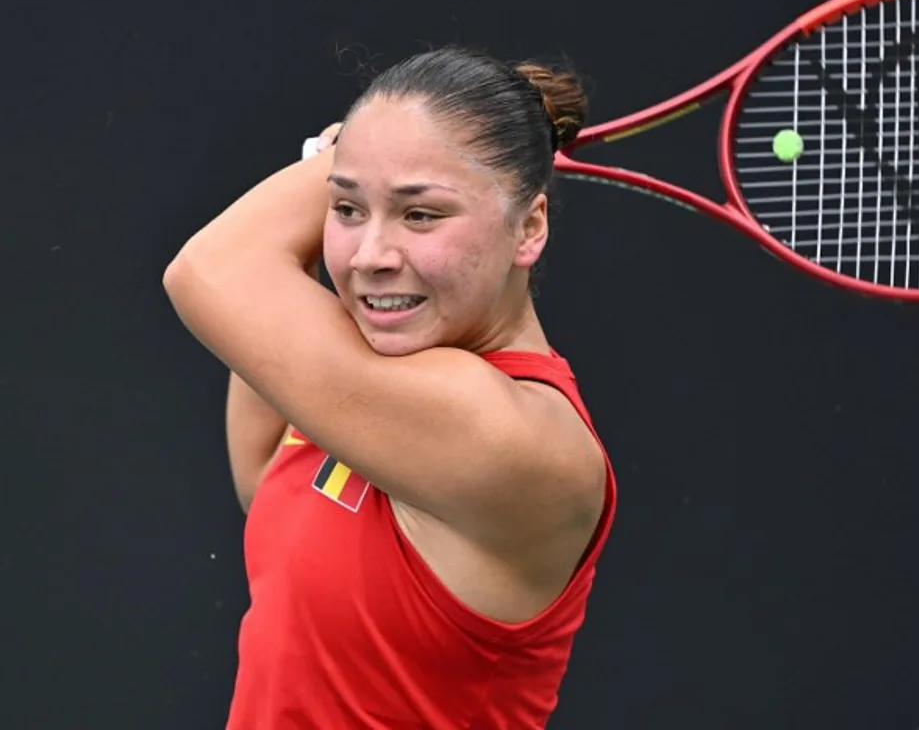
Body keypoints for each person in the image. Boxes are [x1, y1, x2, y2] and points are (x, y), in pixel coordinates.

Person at [162, 45, 617, 729]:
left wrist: (331, 165)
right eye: (348, 211)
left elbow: (210, 270)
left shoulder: (502, 432)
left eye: (421, 215)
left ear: (530, 227)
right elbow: (267, 488)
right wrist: (350, 170)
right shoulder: (371, 382)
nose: (373, 256)